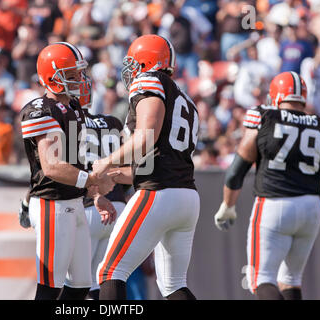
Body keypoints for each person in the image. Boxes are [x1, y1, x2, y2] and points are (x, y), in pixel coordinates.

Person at [92, 34, 200, 300]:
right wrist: (118, 175)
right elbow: (156, 157)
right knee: (174, 285)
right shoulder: (185, 99)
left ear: (146, 62)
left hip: (158, 193)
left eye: (133, 64)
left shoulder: (149, 80)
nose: (129, 72)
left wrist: (106, 161)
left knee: (110, 271)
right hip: (186, 196)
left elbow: (145, 139)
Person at [214, 72, 320, 300]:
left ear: (275, 96)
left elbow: (238, 167)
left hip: (274, 202)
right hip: (311, 206)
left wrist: (228, 204)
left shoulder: (264, 116)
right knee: (291, 280)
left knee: (260, 279)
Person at [19, 42, 116, 300]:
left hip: (73, 201)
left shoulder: (72, 108)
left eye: (79, 73)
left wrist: (96, 194)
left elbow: (78, 161)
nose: (79, 80)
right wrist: (92, 180)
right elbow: (52, 167)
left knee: (82, 285)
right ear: (52, 77)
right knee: (50, 286)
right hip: (53, 203)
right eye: (71, 75)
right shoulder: (41, 110)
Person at [78, 80, 127, 300]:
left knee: (74, 283)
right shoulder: (113, 122)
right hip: (118, 206)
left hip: (88, 207)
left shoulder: (71, 123)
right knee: (104, 279)